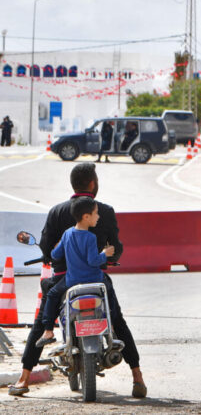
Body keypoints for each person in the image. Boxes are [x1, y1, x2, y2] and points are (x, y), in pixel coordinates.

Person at [8, 163, 146, 398]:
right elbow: (116, 247)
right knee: (118, 321)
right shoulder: (104, 211)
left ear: (74, 184)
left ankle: (23, 379)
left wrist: (52, 256)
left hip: (65, 279)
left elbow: (47, 248)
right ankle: (137, 377)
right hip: (97, 278)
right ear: (92, 184)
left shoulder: (57, 212)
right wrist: (110, 256)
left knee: (42, 322)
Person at [36, 197, 116, 346]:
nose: (98, 217)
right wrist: (105, 253)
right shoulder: (91, 237)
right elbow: (93, 261)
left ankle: (48, 331)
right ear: (86, 217)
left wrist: (59, 245)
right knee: (109, 293)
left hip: (72, 281)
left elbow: (55, 255)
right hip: (94, 279)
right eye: (96, 213)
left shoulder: (67, 234)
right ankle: (111, 327)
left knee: (52, 295)